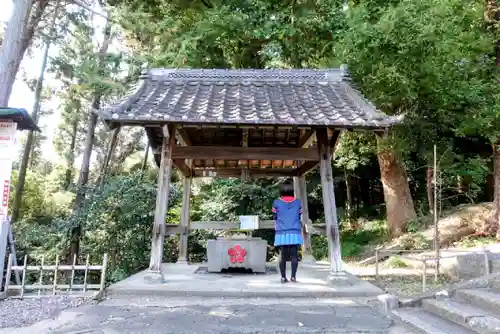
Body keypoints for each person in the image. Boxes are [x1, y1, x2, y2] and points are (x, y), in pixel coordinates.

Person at [272, 181, 303, 283]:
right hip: (295, 230)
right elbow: (299, 216)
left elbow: (275, 216)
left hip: (281, 231)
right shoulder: (298, 202)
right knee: (294, 255)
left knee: (283, 255)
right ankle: (293, 277)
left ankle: (283, 277)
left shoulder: (276, 202)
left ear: (281, 190)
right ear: (291, 190)